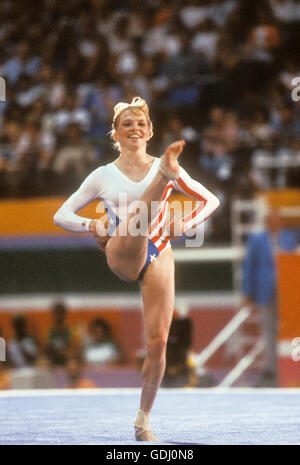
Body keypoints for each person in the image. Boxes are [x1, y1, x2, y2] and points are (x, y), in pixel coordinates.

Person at [54, 96, 220, 441]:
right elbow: (62, 215)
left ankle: (143, 422)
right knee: (135, 224)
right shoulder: (103, 176)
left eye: (141, 124)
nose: (135, 128)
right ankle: (160, 183)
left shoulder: (165, 163)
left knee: (158, 341)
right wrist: (92, 226)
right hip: (122, 250)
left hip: (158, 251)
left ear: (150, 131)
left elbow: (211, 201)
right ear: (115, 133)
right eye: (127, 124)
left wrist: (184, 222)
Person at [242, 208, 298, 387]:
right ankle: (271, 370)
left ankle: (290, 368)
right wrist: (248, 292)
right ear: (266, 221)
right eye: (271, 219)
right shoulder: (257, 239)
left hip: (289, 292)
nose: (274, 222)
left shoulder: (290, 237)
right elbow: (249, 265)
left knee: (290, 332)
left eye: (277, 219)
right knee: (268, 331)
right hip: (266, 290)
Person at [46, 302, 82, 367]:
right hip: (53, 359)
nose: (59, 316)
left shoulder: (72, 331)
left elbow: (77, 349)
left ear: (64, 314)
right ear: (53, 314)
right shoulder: (48, 332)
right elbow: (45, 349)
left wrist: (64, 352)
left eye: (61, 313)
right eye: (56, 313)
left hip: (68, 359)